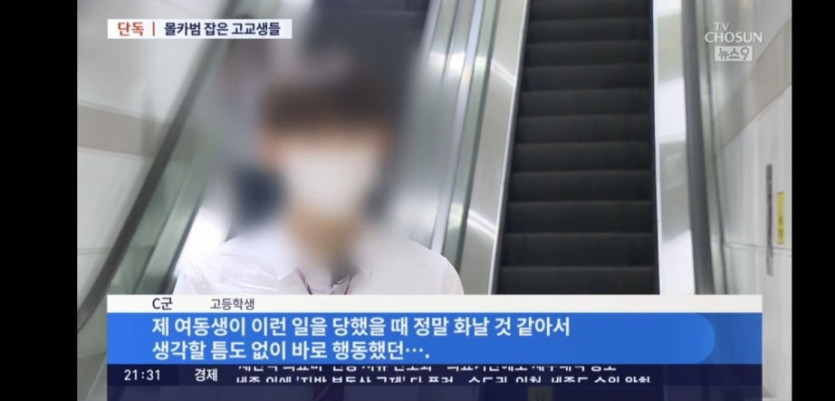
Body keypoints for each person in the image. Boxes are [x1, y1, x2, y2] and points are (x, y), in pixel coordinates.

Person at [174, 51, 464, 295]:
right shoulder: (209, 281)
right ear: (270, 148)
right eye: (312, 138)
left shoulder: (433, 280)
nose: (334, 156)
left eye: (353, 138)